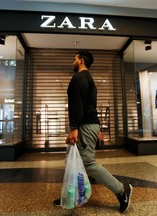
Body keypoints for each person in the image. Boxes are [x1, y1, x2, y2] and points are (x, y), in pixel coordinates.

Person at [53, 50, 133, 213]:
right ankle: (72, 195)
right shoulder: (88, 79)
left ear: (81, 60)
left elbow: (78, 104)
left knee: (87, 163)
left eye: (74, 58)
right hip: (87, 124)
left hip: (83, 125)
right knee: (72, 161)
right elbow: (88, 105)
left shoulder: (79, 78)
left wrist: (74, 127)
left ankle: (122, 190)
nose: (72, 61)